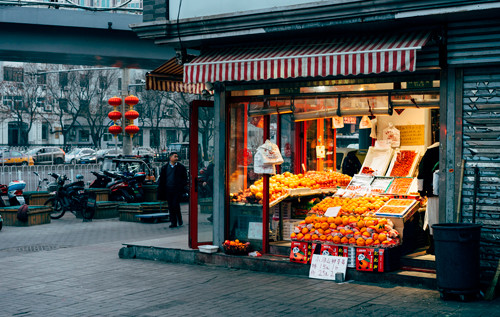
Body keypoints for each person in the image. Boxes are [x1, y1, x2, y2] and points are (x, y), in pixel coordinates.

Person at [157, 152, 188, 228]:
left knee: (175, 205)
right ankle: (173, 222)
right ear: (170, 158)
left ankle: (179, 220)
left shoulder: (181, 168)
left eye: (177, 156)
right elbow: (162, 179)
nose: (176, 158)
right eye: (175, 156)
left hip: (177, 190)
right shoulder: (165, 168)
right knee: (171, 206)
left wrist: (181, 187)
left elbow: (185, 179)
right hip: (168, 189)